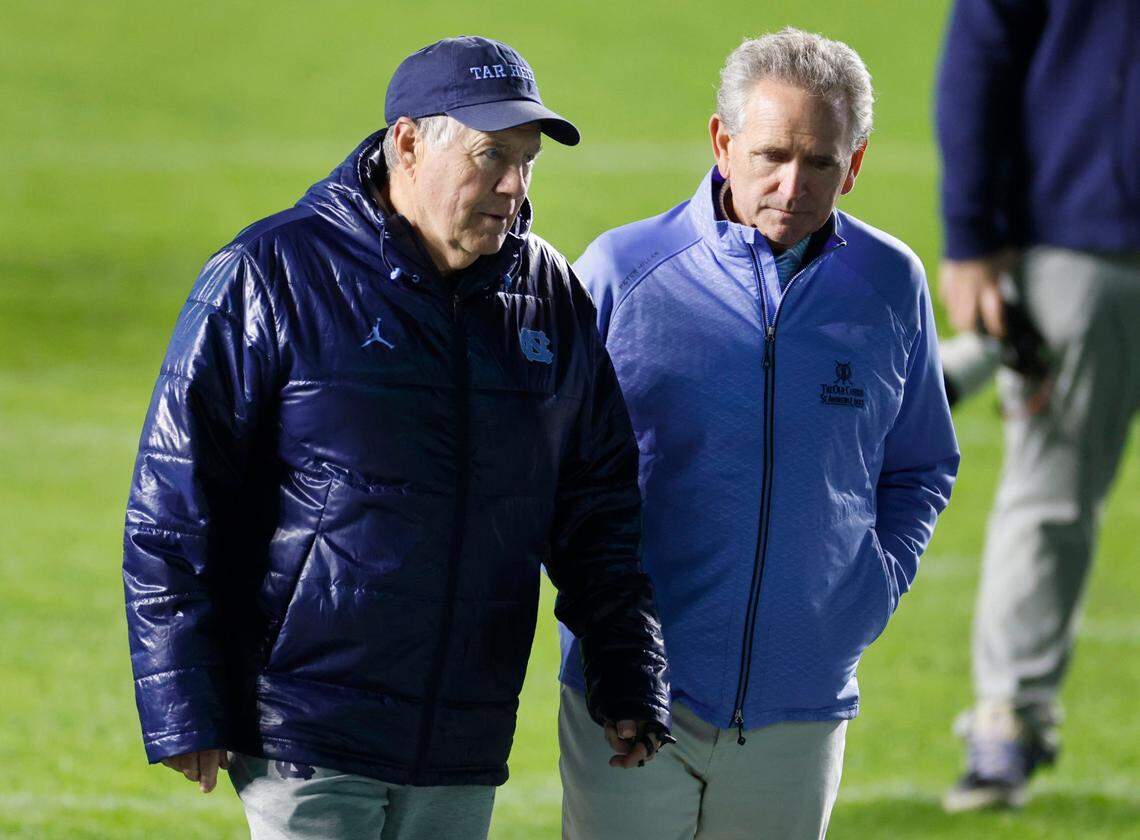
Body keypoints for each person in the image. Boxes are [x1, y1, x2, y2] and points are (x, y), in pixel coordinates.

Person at [122, 35, 672, 840]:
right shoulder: (270, 274)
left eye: (528, 161)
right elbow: (173, 502)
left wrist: (627, 675)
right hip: (306, 734)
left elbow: (598, 508)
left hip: (462, 740)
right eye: (492, 156)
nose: (515, 186)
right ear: (408, 144)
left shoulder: (546, 294)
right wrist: (182, 699)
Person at [558, 28, 960, 839]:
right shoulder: (620, 272)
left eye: (821, 162)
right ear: (722, 141)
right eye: (772, 154)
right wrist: (608, 641)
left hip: (803, 704)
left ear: (855, 162)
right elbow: (557, 477)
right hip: (633, 692)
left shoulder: (892, 284)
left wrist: (864, 596)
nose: (792, 184)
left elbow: (919, 466)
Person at [936, 0, 1140, 812]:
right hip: (1085, 233)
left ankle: (937, 376)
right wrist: (971, 237)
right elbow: (980, 53)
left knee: (1049, 497)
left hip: (1084, 230)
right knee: (1050, 492)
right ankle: (1007, 722)